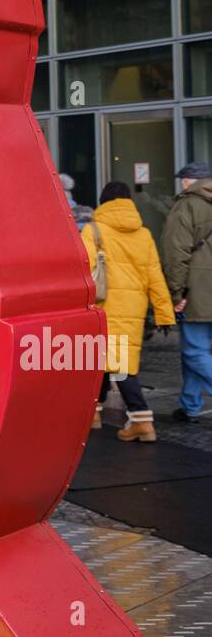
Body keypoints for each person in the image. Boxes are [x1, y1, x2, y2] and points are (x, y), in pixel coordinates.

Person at [82, 180, 175, 442]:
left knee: (118, 365)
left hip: (102, 306)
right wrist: (164, 313)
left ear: (103, 201)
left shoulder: (94, 230)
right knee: (103, 360)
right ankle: (94, 413)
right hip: (134, 307)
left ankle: (141, 418)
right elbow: (155, 276)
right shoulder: (143, 234)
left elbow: (83, 268)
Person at [162, 160, 212, 422]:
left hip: (199, 290)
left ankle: (190, 404)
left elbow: (175, 253)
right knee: (197, 351)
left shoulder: (187, 204)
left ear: (186, 181)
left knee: (194, 350)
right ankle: (190, 405)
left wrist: (176, 294)